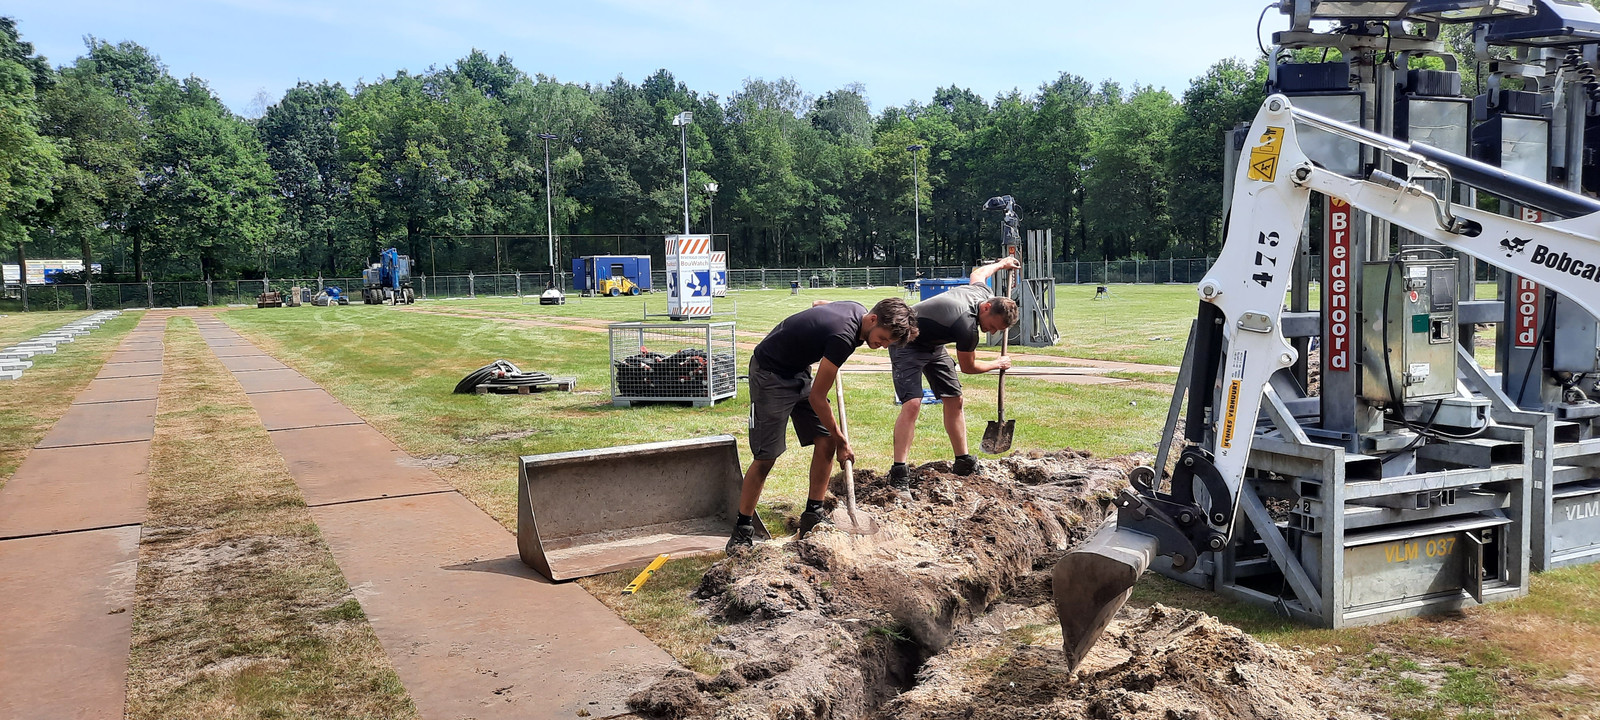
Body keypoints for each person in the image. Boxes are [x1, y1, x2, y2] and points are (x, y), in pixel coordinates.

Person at [727, 297, 920, 552]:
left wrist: (835, 439)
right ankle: (742, 530)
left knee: (826, 439)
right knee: (767, 455)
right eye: (883, 338)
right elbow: (818, 398)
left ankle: (813, 514)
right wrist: (843, 441)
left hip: (798, 371)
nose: (882, 346)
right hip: (770, 374)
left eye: (888, 344)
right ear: (873, 319)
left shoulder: (858, 311)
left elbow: (819, 305)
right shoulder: (842, 337)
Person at [888, 256, 1021, 485]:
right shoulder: (966, 325)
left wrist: (1002, 264)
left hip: (933, 345)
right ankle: (899, 472)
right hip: (906, 342)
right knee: (912, 403)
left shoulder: (981, 294)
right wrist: (996, 364)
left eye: (997, 330)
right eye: (991, 325)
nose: (990, 332)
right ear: (987, 308)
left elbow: (979, 273)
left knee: (955, 399)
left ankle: (963, 461)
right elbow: (968, 367)